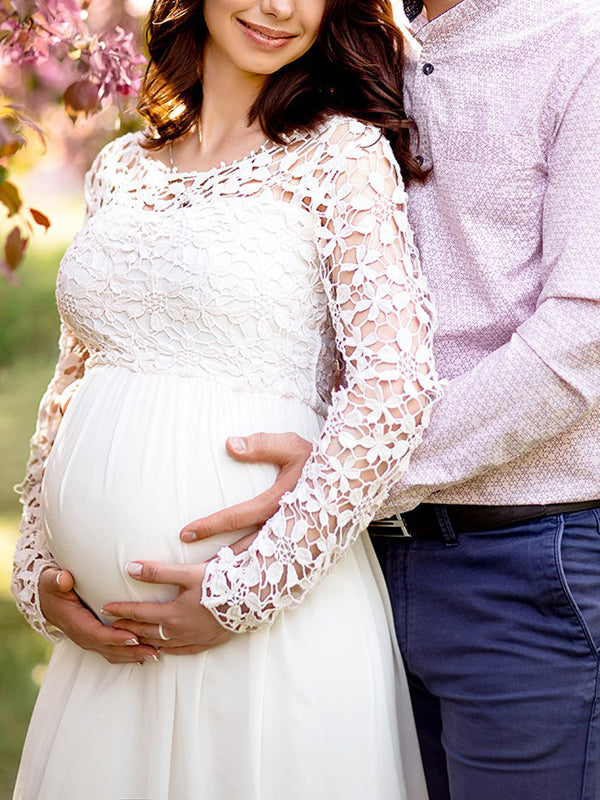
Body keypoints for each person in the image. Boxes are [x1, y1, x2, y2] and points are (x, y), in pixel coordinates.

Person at [55, 0, 598, 798]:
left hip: (513, 562)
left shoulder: (578, 40)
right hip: (355, 562)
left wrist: (343, 480)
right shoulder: (366, 48)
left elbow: (584, 333)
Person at [11, 0, 442, 797]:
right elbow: (75, 380)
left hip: (268, 637)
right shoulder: (123, 167)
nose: (280, 8)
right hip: (107, 656)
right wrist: (40, 567)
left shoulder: (341, 157)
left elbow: (395, 388)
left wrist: (243, 593)